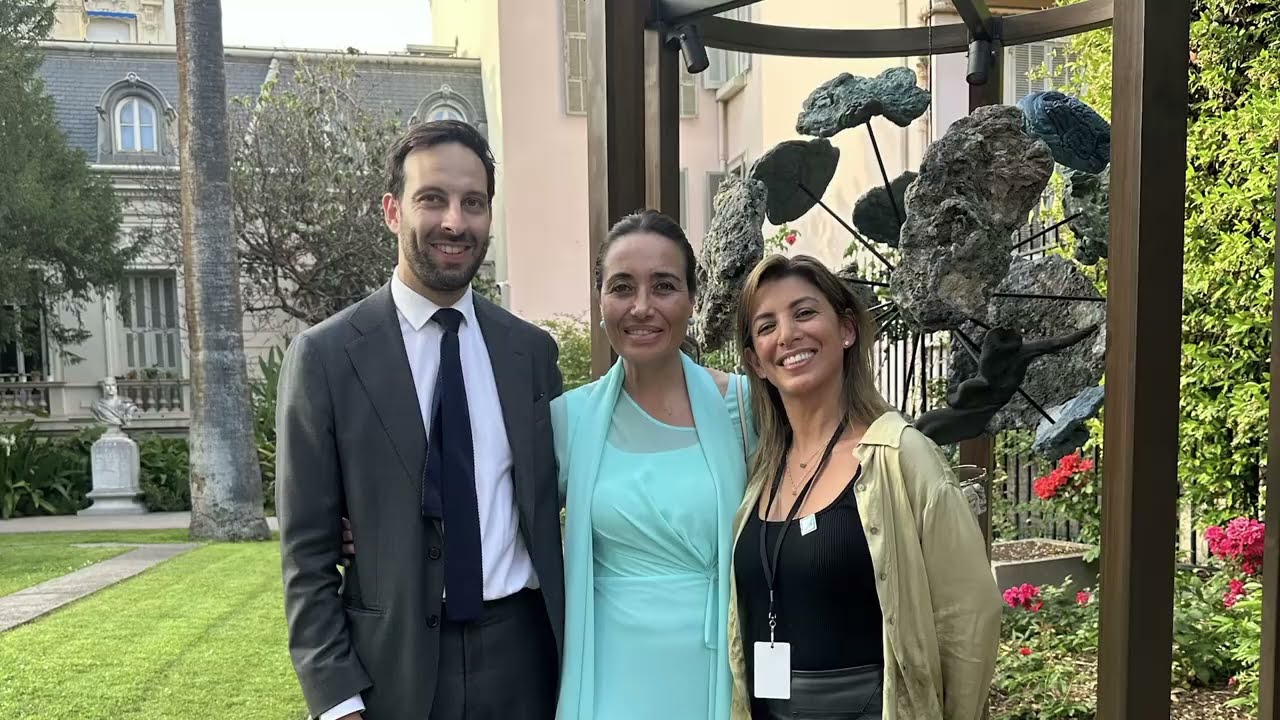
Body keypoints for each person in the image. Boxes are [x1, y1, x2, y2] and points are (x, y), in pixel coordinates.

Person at [276, 120, 564, 720]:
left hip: (524, 660)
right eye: (432, 199)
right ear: (391, 210)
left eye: (474, 203)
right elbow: (306, 549)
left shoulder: (531, 355)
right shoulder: (327, 358)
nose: (455, 222)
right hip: (392, 668)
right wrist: (336, 698)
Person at [726, 255, 1001, 720]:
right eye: (766, 325)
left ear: (847, 329)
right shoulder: (762, 476)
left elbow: (968, 617)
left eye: (805, 312)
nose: (788, 334)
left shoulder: (900, 456)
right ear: (756, 361)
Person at [552, 209, 754, 719]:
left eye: (663, 286)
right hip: (608, 678)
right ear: (600, 301)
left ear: (691, 298)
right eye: (622, 287)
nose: (642, 307)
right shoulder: (566, 421)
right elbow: (495, 523)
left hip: (715, 670)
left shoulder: (746, 408)